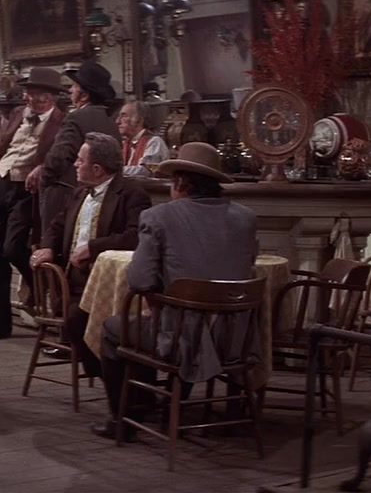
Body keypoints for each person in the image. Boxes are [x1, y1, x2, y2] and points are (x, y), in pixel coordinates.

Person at [91, 141, 257, 440]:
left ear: (180, 183)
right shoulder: (245, 218)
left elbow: (140, 280)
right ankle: (173, 406)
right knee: (179, 318)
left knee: (112, 329)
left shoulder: (160, 217)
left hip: (180, 338)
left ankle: (124, 420)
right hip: (235, 338)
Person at [31, 133, 150, 370]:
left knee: (79, 319)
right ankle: (104, 371)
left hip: (107, 283)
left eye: (80, 160)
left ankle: (108, 373)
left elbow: (135, 236)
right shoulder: (79, 193)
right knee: (75, 318)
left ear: (97, 169)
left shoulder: (131, 193)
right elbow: (56, 226)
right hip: (72, 283)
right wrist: (48, 247)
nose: (75, 164)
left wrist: (93, 249)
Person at [0, 67, 68, 341]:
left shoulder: (62, 122)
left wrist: (41, 168)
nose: (32, 98)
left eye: (39, 94)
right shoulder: (18, 113)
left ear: (51, 97)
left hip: (26, 190)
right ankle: (1, 322)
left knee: (13, 247)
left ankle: (38, 291)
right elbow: (4, 145)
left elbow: (58, 156)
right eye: (30, 93)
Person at [40, 62, 120, 246]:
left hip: (67, 194)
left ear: (84, 95)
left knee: (56, 245)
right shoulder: (110, 121)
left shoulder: (76, 117)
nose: (70, 91)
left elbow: (58, 158)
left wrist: (45, 179)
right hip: (102, 197)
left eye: (74, 86)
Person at [116, 101, 170, 177]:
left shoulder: (154, 142)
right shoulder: (125, 144)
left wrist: (114, 171)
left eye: (124, 116)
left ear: (139, 121)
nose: (117, 121)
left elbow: (147, 171)